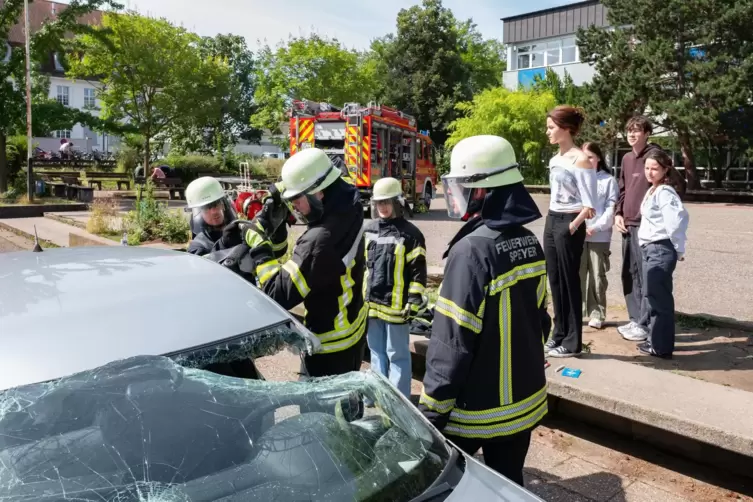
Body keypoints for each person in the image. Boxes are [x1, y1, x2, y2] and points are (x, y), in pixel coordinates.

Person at [419, 135, 550, 486]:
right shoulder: (529, 241)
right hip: (526, 403)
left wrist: (430, 409)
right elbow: (542, 319)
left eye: (463, 187)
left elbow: (452, 343)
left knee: (444, 485)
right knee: (508, 485)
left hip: (479, 412)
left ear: (484, 191)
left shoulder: (472, 251)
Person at [239, 148, 367, 376]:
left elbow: (277, 294)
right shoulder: (351, 203)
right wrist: (280, 189)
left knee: (326, 410)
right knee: (348, 404)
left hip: (329, 347)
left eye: (297, 199)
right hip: (353, 328)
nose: (294, 207)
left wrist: (260, 248)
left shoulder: (317, 240)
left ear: (319, 193)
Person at [363, 177, 427, 400]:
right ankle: (380, 398)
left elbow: (418, 272)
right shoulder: (369, 230)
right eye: (379, 203)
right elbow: (363, 267)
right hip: (372, 306)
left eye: (386, 202)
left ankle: (399, 401)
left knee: (397, 355)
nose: (382, 207)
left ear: (397, 202)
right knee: (377, 353)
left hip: (398, 307)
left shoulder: (411, 235)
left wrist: (414, 299)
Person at [543, 105, 597, 358]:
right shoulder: (555, 159)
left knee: (569, 281)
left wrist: (571, 227)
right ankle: (559, 334)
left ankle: (573, 341)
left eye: (551, 127)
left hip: (570, 221)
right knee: (554, 280)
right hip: (552, 219)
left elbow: (589, 205)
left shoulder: (581, 159)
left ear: (566, 129)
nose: (548, 132)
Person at [636, 149, 689, 359]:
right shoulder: (653, 190)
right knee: (652, 297)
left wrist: (679, 248)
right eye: (647, 168)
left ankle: (662, 347)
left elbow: (677, 221)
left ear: (665, 169)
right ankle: (654, 340)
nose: (649, 172)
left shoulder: (665, 192)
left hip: (660, 248)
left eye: (654, 168)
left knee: (659, 300)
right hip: (650, 247)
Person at [615, 116, 663, 342]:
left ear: (646, 133)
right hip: (627, 223)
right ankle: (635, 319)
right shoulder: (626, 158)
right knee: (629, 273)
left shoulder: (654, 156)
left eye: (637, 131)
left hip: (645, 226)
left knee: (644, 275)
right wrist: (617, 213)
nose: (632, 135)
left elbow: (668, 183)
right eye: (629, 131)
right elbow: (622, 189)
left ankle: (645, 323)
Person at [579, 142, 618, 329]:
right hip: (578, 234)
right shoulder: (577, 178)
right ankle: (576, 311)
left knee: (597, 276)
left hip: (599, 236)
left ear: (599, 158)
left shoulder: (608, 180)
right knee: (577, 276)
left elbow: (611, 208)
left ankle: (597, 313)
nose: (587, 161)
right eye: (584, 157)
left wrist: (595, 227)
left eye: (591, 157)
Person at [185, 177, 238, 256]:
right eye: (206, 208)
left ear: (224, 204)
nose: (214, 212)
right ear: (199, 212)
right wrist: (223, 244)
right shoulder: (198, 246)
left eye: (216, 204)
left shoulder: (239, 231)